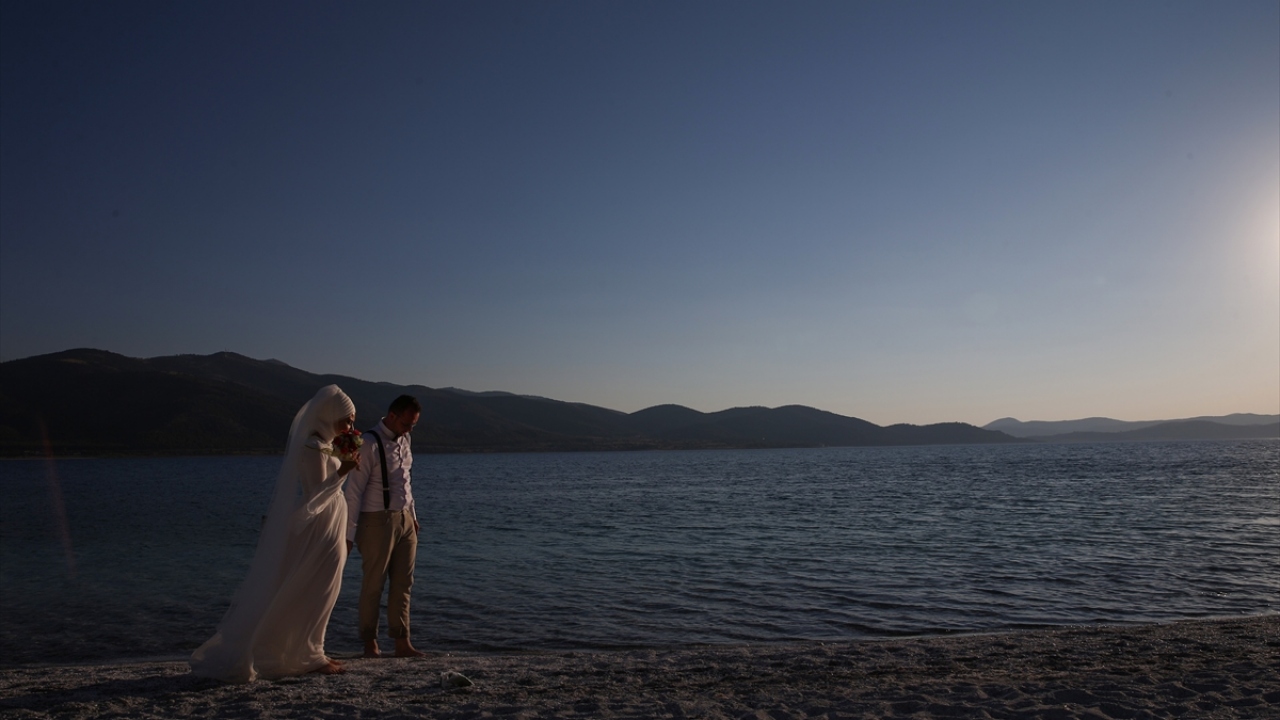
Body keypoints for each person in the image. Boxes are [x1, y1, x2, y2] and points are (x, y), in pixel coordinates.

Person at [190, 385, 358, 682]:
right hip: (321, 523)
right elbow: (315, 495)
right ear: (329, 415)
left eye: (352, 420)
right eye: (346, 419)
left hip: (333, 519)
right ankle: (309, 654)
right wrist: (343, 471)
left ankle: (313, 649)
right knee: (317, 589)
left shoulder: (325, 444)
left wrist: (343, 464)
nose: (350, 426)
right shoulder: (311, 446)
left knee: (326, 589)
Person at [344, 394, 426, 658]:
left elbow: (405, 482)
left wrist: (412, 515)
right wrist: (348, 534)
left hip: (404, 519)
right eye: (406, 423)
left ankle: (402, 643)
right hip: (376, 521)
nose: (409, 429)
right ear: (392, 416)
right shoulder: (368, 443)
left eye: (413, 425)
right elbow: (353, 492)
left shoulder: (405, 440)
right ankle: (370, 644)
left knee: (404, 583)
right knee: (374, 584)